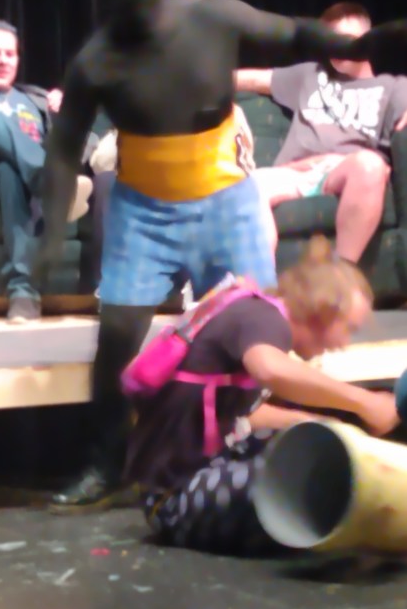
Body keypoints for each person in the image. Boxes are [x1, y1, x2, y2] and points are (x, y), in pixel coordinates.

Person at [40, 0, 407, 511]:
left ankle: (260, 444)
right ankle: (108, 462)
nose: (146, 12)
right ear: (109, 2)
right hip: (144, 210)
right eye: (132, 3)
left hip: (226, 202)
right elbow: (64, 147)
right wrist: (52, 230)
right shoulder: (96, 60)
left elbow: (294, 32)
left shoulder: (213, 18)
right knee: (116, 339)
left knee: (257, 329)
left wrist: (358, 44)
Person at [124, 235, 399, 554]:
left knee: (311, 444)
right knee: (313, 479)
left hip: (184, 483)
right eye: (348, 329)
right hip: (174, 499)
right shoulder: (264, 319)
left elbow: (244, 415)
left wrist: (323, 425)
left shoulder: (255, 314)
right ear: (322, 312)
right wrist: (365, 403)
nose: (344, 343)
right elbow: (270, 369)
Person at [0, 12, 93, 322]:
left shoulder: (36, 100)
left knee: (9, 173)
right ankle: (52, 185)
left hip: (16, 179)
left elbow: (88, 146)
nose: (3, 61)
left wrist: (64, 117)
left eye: (10, 54)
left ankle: (23, 294)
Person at [235, 2, 407, 262]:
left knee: (370, 166)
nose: (337, 49)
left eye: (346, 41)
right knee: (249, 185)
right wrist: (199, 79)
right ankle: (260, 281)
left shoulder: (393, 87)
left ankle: (341, 272)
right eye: (330, 42)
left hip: (347, 171)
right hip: (294, 173)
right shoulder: (309, 75)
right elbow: (252, 79)